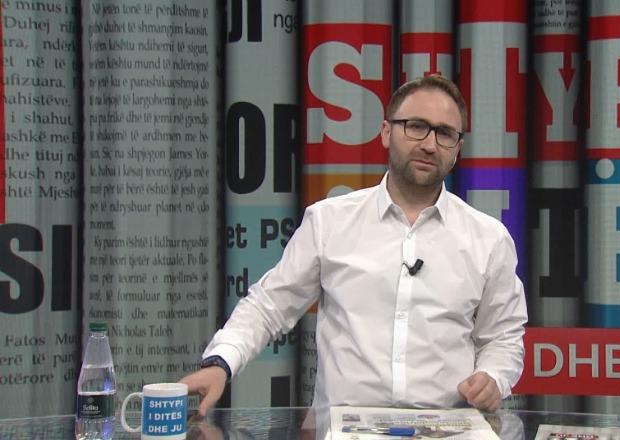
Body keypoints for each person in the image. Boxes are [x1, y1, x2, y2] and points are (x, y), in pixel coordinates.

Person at [180, 75, 527, 416]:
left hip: (445, 429)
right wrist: (221, 363)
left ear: (458, 148)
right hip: (343, 429)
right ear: (386, 132)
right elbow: (268, 306)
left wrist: (493, 377)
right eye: (416, 126)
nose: (429, 144)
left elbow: (503, 337)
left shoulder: (488, 238)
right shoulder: (330, 221)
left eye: (445, 133)